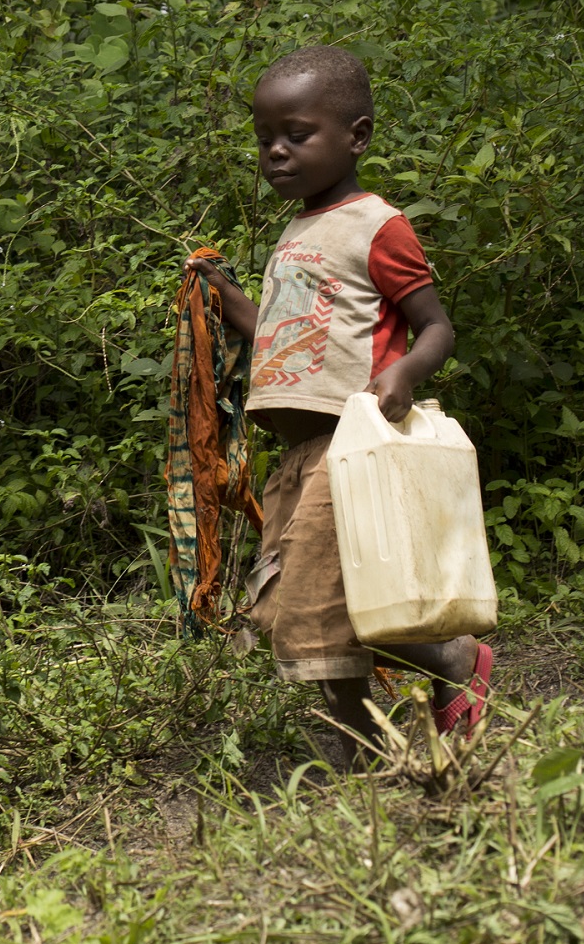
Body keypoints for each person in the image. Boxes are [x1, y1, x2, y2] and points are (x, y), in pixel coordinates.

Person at [189, 43, 493, 771]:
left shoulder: (376, 225)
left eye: (298, 134)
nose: (277, 152)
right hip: (297, 454)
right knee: (290, 602)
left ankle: (418, 693)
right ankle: (402, 708)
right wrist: (230, 302)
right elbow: (286, 343)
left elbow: (437, 325)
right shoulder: (292, 236)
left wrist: (404, 376)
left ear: (355, 136)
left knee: (319, 605)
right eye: (266, 139)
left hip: (350, 445)